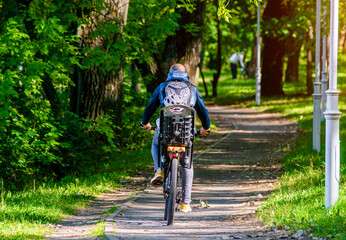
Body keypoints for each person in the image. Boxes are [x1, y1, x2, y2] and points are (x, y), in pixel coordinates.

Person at [141, 63, 210, 213]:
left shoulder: (162, 87)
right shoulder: (192, 89)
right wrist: (206, 127)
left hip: (165, 130)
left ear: (170, 73)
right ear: (185, 74)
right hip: (186, 131)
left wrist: (145, 122)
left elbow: (150, 106)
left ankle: (159, 169)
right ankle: (185, 203)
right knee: (187, 163)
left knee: (155, 143)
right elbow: (203, 110)